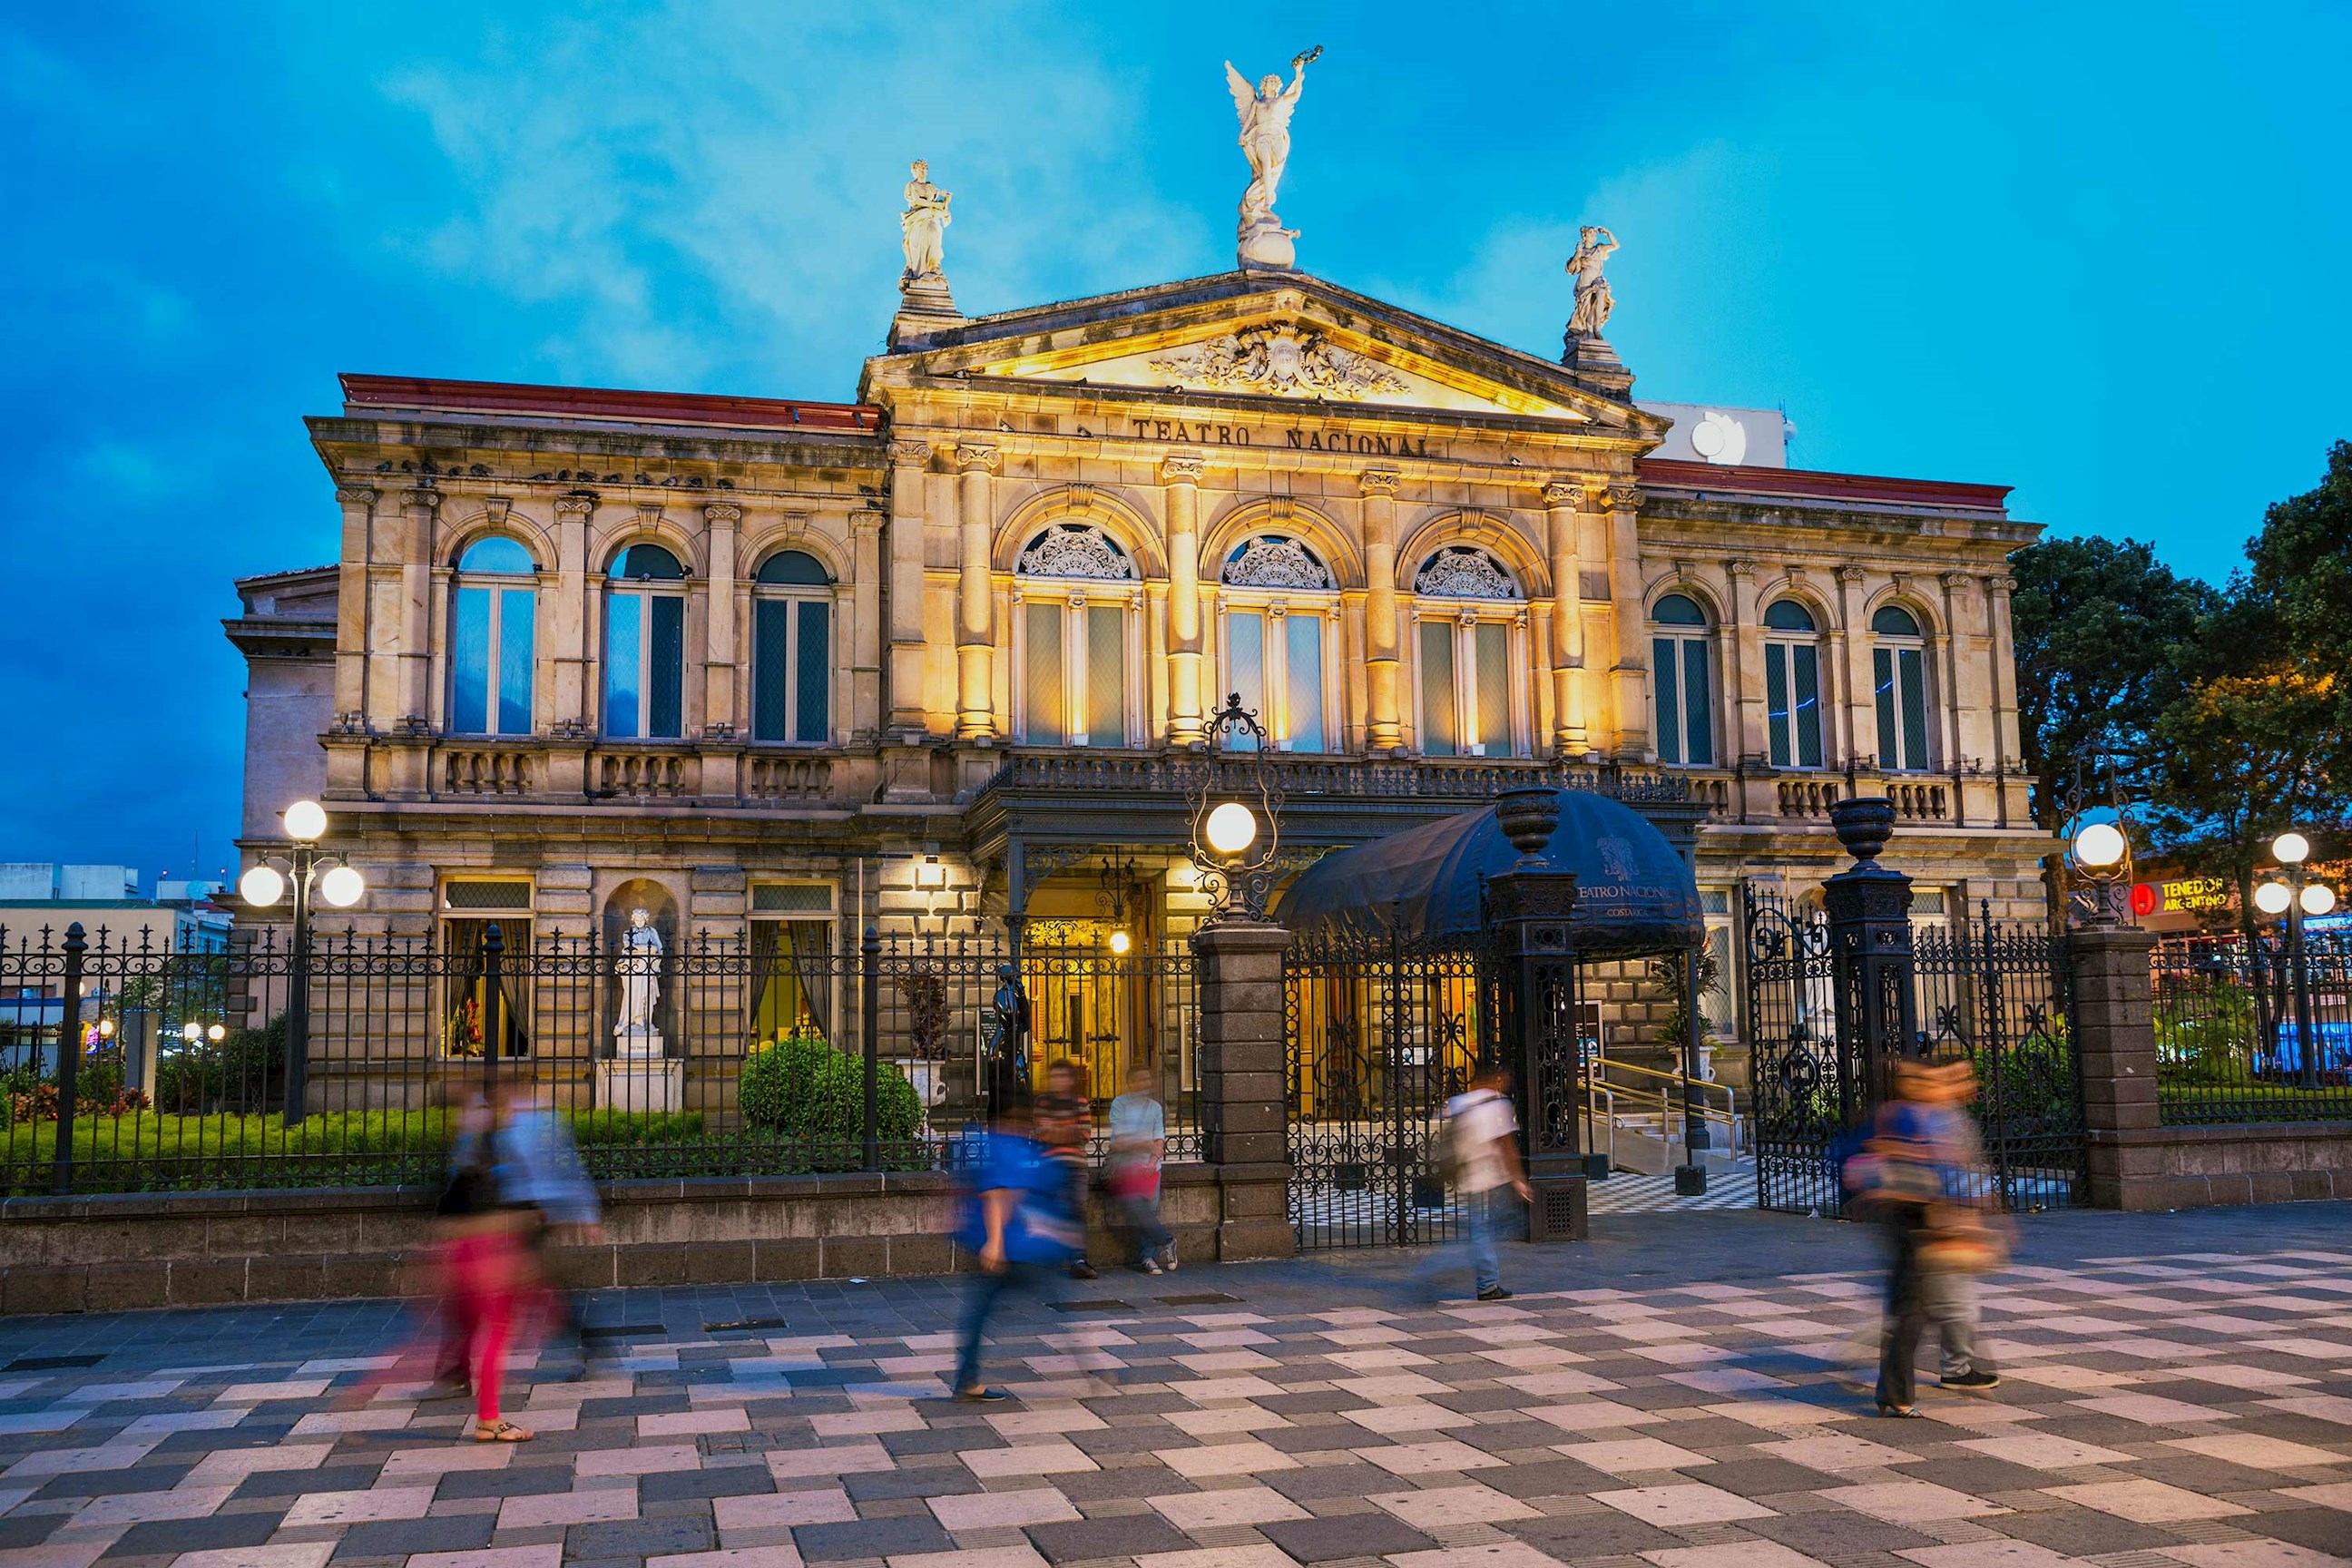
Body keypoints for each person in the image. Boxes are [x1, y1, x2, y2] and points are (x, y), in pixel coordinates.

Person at [1847, 1059, 2004, 1416]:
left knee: (1914, 1308)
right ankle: (1898, 1390)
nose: (1931, 1085)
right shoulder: (1901, 1114)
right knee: (1913, 1309)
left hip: (1921, 1215)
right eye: (1921, 1079)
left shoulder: (1928, 1115)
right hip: (1910, 1216)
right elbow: (1887, 1160)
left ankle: (1899, 1389)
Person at [952, 1098, 1080, 1403]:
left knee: (980, 1311)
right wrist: (995, 1243)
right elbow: (998, 1195)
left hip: (1010, 1247)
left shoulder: (992, 1146)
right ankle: (1090, 1367)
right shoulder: (1008, 1147)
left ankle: (967, 1378)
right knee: (1054, 1305)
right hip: (1013, 1251)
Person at [436, 1097, 536, 1441]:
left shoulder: (466, 1167)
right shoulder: (482, 1167)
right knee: (496, 1335)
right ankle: (488, 1418)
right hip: (484, 1262)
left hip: (471, 1261)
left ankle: (481, 1407)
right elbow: (484, 1216)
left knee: (481, 1333)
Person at [495, 1083, 604, 1372]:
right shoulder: (533, 1122)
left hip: (533, 1212)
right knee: (536, 1285)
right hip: (529, 1211)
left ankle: (587, 1343)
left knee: (530, 1284)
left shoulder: (533, 1124)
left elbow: (563, 1168)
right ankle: (587, 1343)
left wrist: (586, 1212)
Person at [1444, 1064, 1530, 1302]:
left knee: (1482, 1230)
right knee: (1486, 1231)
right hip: (1488, 1179)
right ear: (1497, 1079)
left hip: (1467, 1177)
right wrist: (1518, 1180)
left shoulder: (1462, 1102)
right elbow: (1506, 1145)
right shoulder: (1497, 1104)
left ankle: (1485, 1279)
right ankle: (1483, 1282)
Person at [1107, 1065, 1174, 1275]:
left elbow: (1159, 1136)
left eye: (1146, 1079)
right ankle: (1167, 1240)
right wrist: (1146, 1145)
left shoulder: (1155, 1108)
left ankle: (1148, 1258)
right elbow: (1120, 1139)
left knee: (1149, 1212)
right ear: (1130, 1083)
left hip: (1150, 1167)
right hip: (1126, 1168)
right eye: (1138, 1080)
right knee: (1137, 1208)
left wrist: (1152, 1160)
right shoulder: (1120, 1104)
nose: (1143, 1084)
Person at [1034, 1059, 1096, 1279]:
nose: (1057, 1081)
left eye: (1062, 1076)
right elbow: (1041, 1132)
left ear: (1070, 1080)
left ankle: (1078, 1259)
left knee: (1077, 1209)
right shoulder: (1043, 1102)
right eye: (1054, 1076)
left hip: (1076, 1166)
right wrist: (1068, 1130)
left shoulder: (1080, 1102)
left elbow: (1085, 1134)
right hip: (1050, 1165)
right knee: (1054, 1209)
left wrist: (1055, 1130)